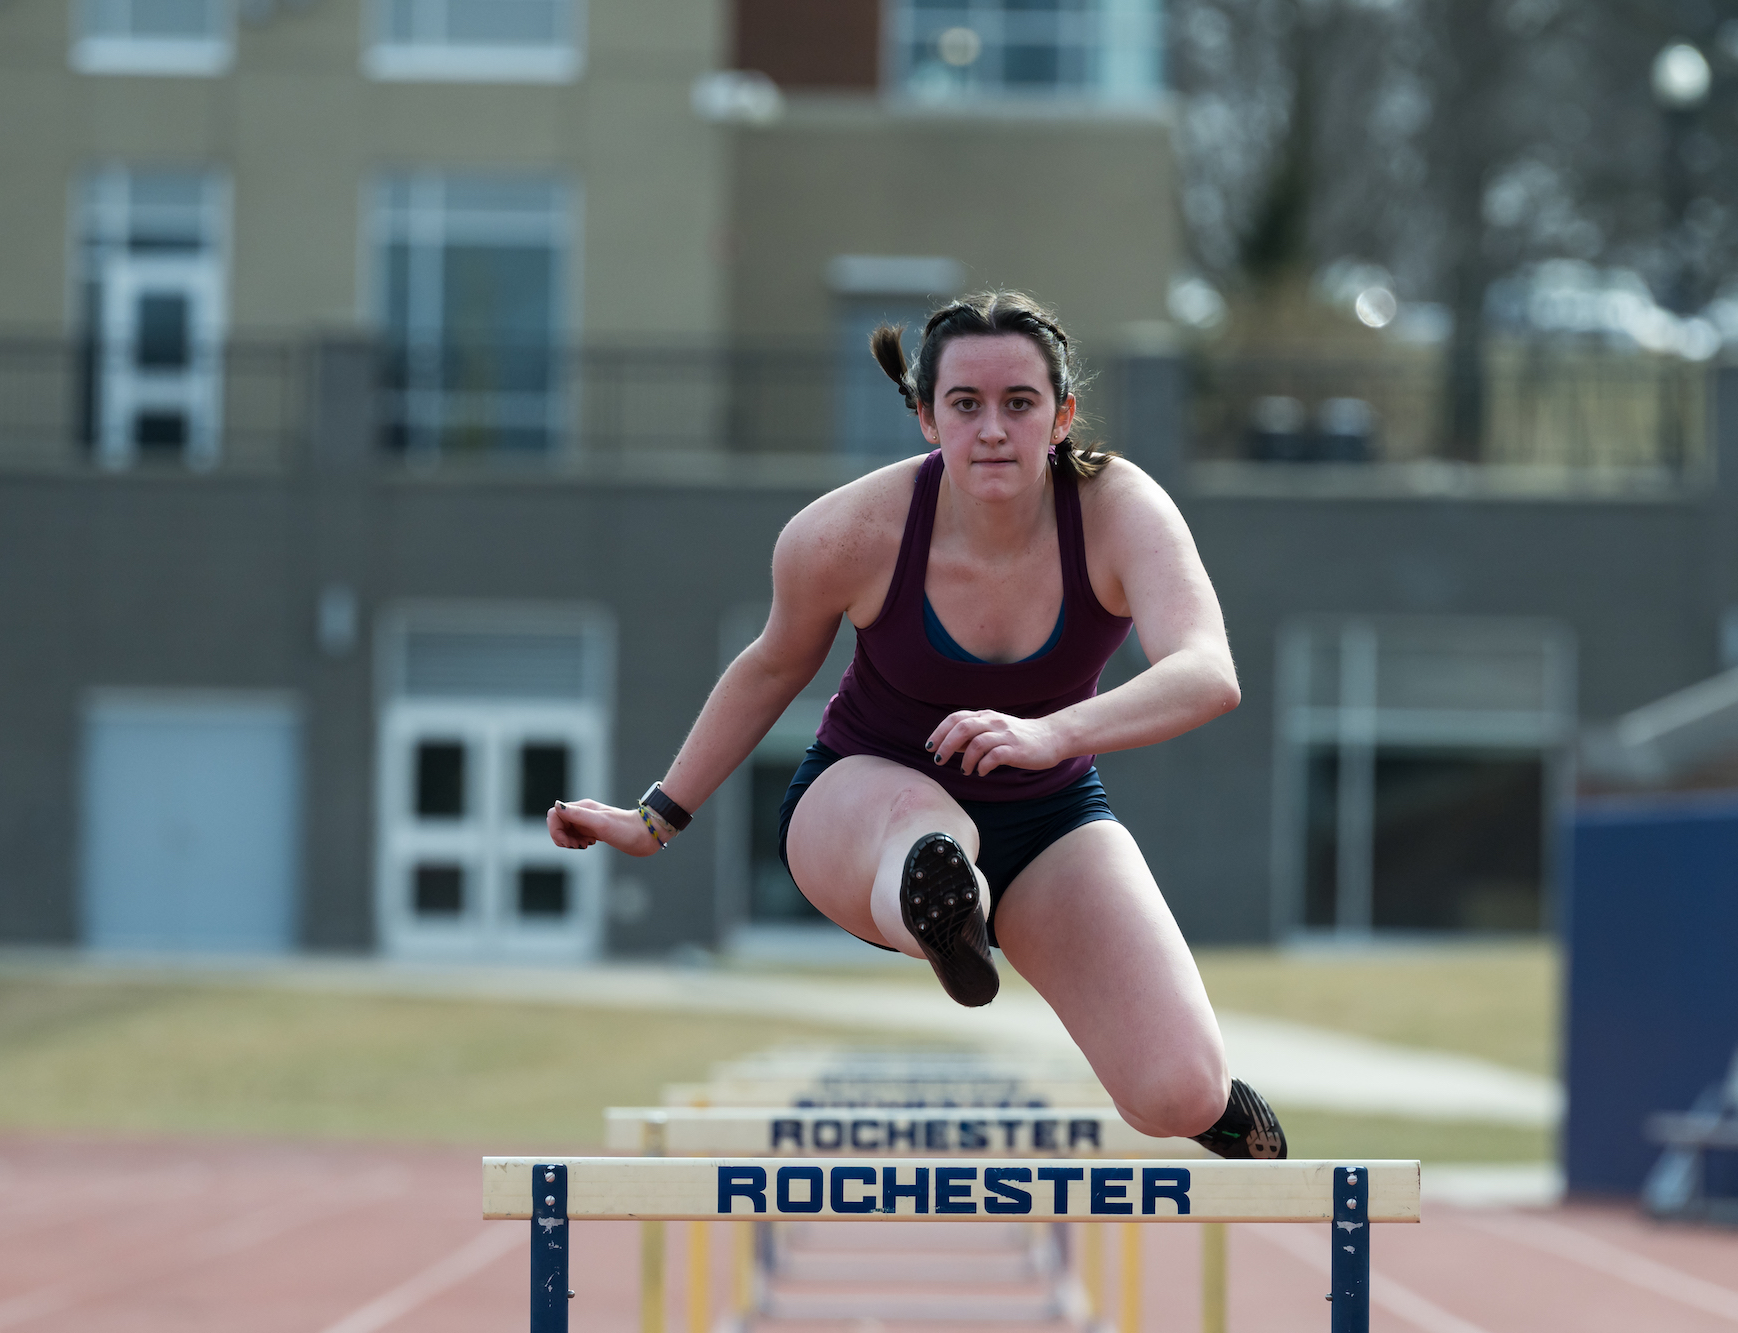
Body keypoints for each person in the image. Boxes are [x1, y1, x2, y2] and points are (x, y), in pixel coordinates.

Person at [547, 292, 1285, 1159]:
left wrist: (1051, 734)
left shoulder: (1120, 508)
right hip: (861, 803)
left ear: (1062, 415)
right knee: (931, 831)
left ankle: (1194, 1089)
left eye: (1020, 403)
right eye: (966, 406)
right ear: (928, 417)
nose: (994, 430)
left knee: (1176, 1092)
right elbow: (771, 666)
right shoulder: (848, 533)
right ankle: (945, 904)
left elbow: (1207, 672)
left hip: (1049, 818)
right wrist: (655, 818)